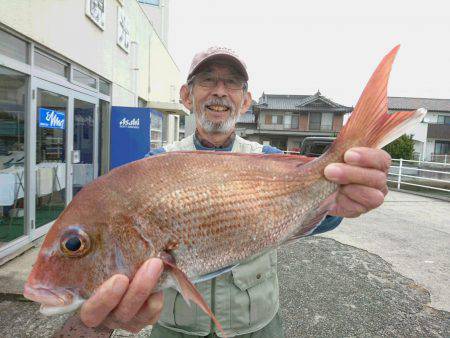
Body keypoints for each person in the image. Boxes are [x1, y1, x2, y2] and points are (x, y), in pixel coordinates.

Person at [80, 47, 391, 337]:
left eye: (232, 83)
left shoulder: (268, 157)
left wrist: (340, 198)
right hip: (177, 327)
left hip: (255, 324)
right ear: (186, 96)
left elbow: (322, 215)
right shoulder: (154, 166)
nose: (219, 91)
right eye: (207, 81)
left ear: (245, 101)